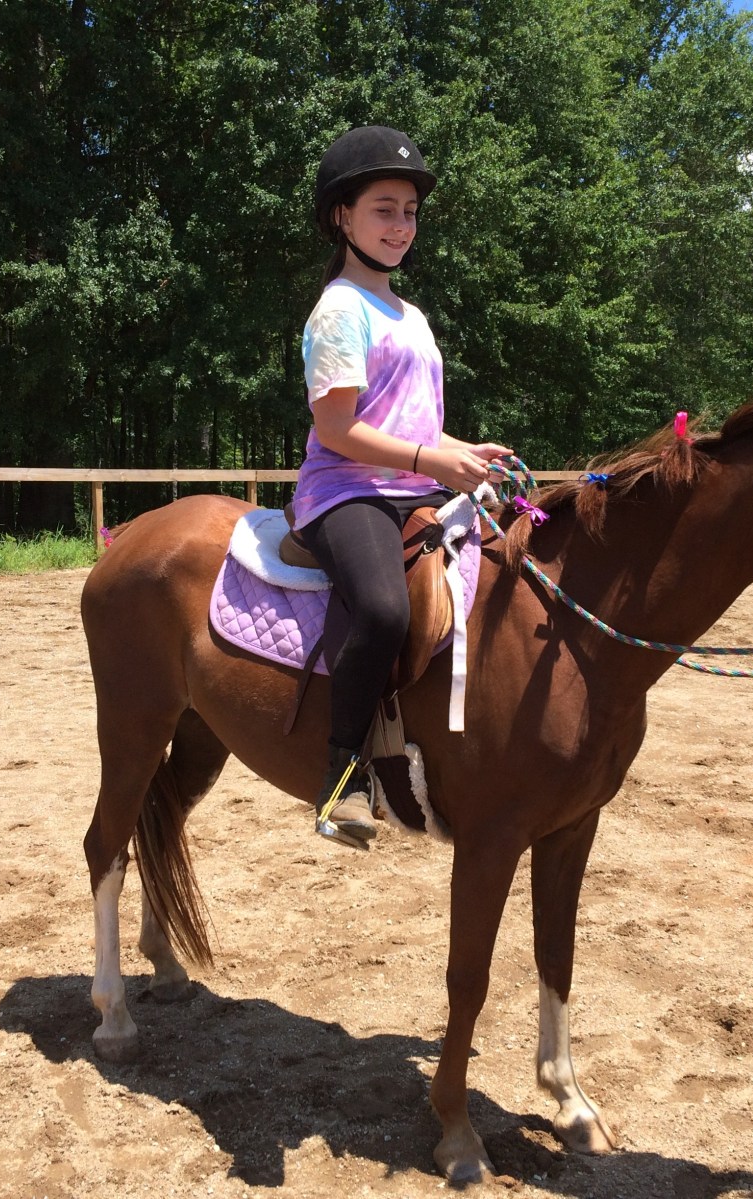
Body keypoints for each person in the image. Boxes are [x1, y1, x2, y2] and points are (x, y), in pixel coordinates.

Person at [290, 125, 511, 849]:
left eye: (409, 212)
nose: (400, 226)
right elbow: (337, 428)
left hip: (412, 485)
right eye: (383, 209)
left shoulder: (410, 316)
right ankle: (341, 780)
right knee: (385, 609)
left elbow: (415, 422)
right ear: (342, 217)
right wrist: (431, 461)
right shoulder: (339, 309)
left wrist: (463, 451)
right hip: (345, 491)